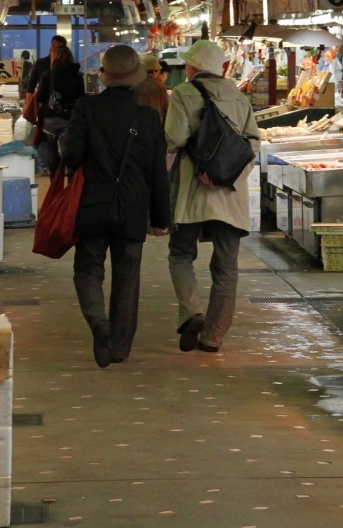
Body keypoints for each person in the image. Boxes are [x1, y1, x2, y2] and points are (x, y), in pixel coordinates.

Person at [61, 45, 170, 367]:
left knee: (87, 269)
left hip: (93, 203)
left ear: (103, 75)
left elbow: (71, 155)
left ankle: (99, 323)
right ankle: (120, 347)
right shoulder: (148, 118)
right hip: (133, 207)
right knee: (127, 277)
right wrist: (161, 217)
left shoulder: (85, 108)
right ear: (136, 77)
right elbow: (157, 173)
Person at [165, 39, 260, 354]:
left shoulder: (183, 93)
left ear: (194, 66)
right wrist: (226, 175)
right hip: (230, 194)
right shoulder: (239, 96)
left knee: (181, 253)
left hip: (193, 190)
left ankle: (192, 311)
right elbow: (252, 145)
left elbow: (175, 138)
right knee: (226, 266)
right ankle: (213, 337)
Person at [36, 42, 85, 173]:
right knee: (69, 152)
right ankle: (70, 181)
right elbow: (81, 98)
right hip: (70, 118)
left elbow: (40, 96)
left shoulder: (48, 74)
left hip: (50, 118)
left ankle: (54, 182)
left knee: (52, 151)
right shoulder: (77, 76)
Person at [134, 53, 169, 124]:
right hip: (155, 124)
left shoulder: (133, 84)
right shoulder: (161, 86)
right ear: (155, 71)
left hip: (136, 124)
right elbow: (166, 109)